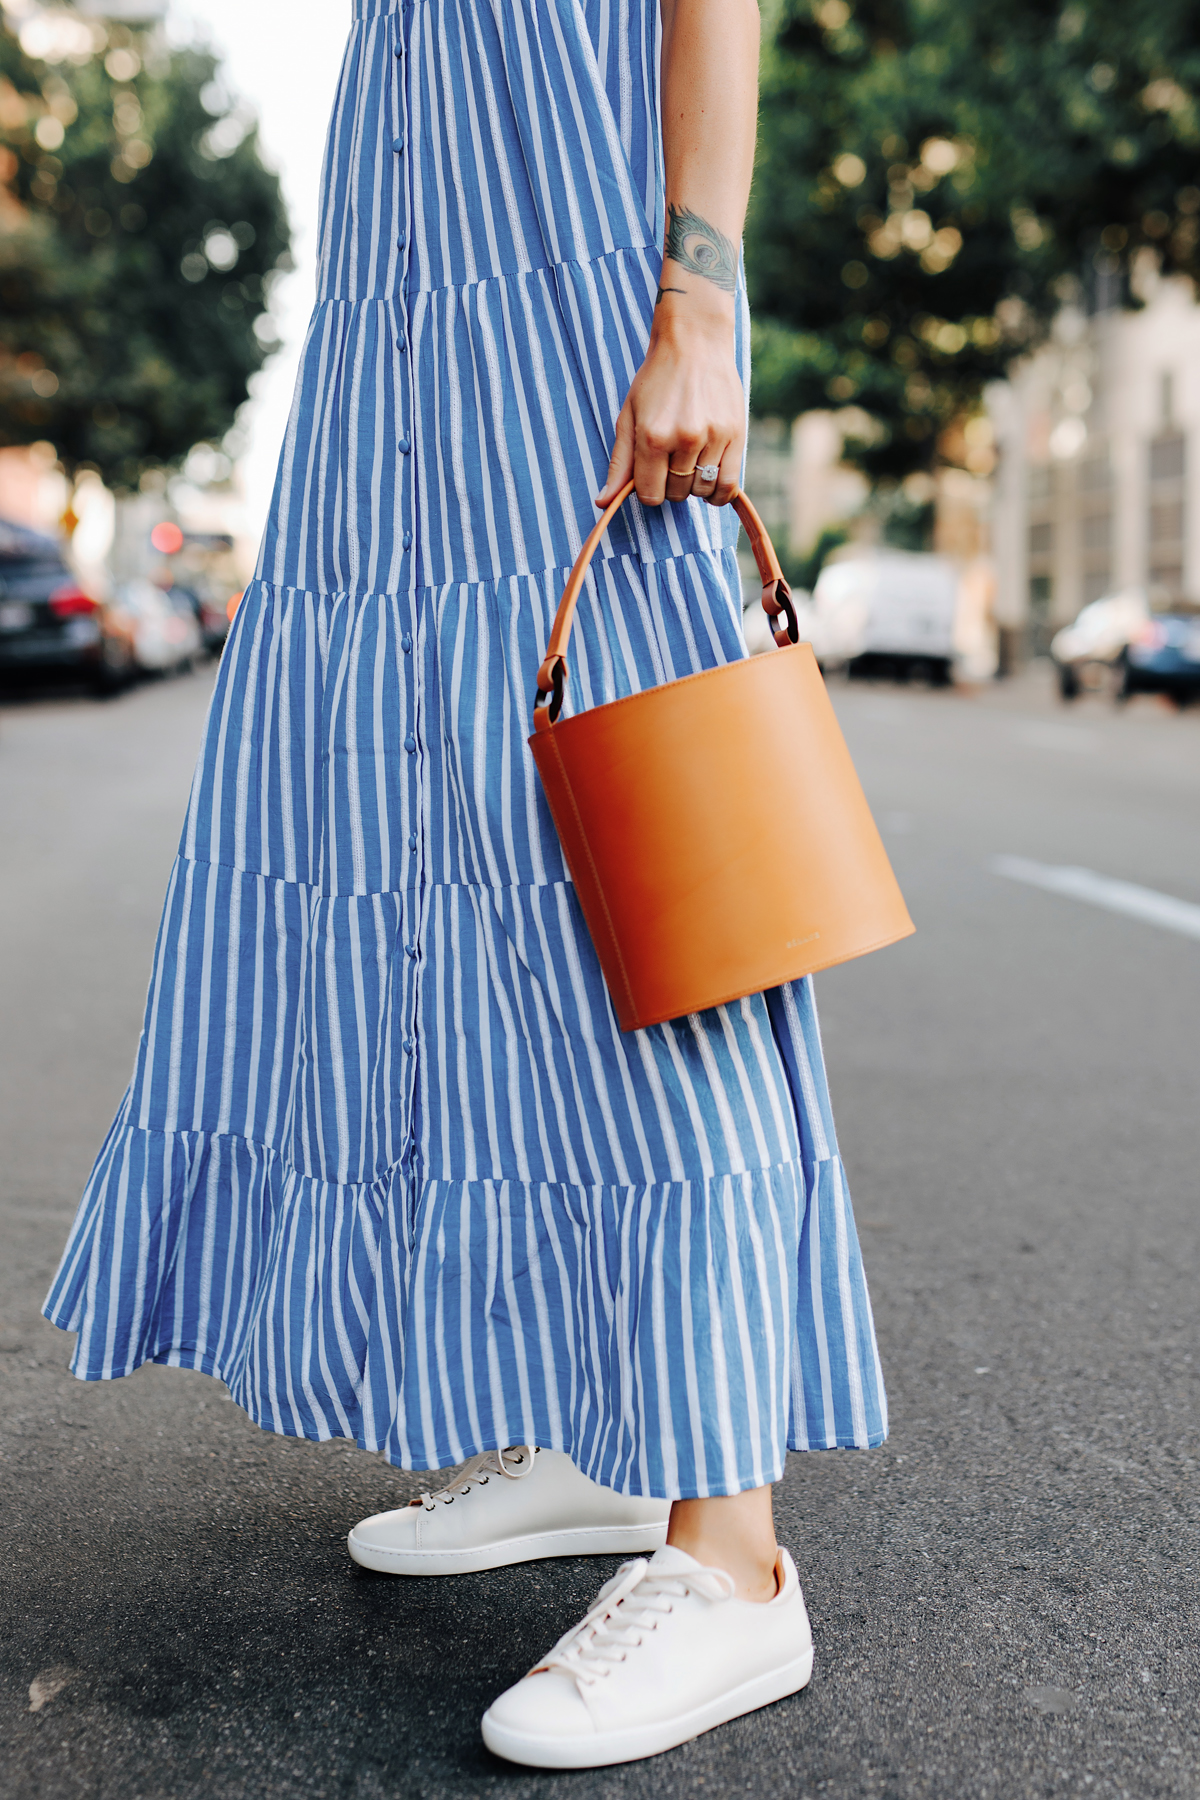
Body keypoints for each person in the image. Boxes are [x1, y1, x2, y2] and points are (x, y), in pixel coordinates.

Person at [44, 0, 887, 1770]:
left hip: (576, 326)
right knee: (428, 875)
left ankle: (734, 1561)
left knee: (646, 895)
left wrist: (699, 299)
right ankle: (607, 1417)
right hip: (393, 364)